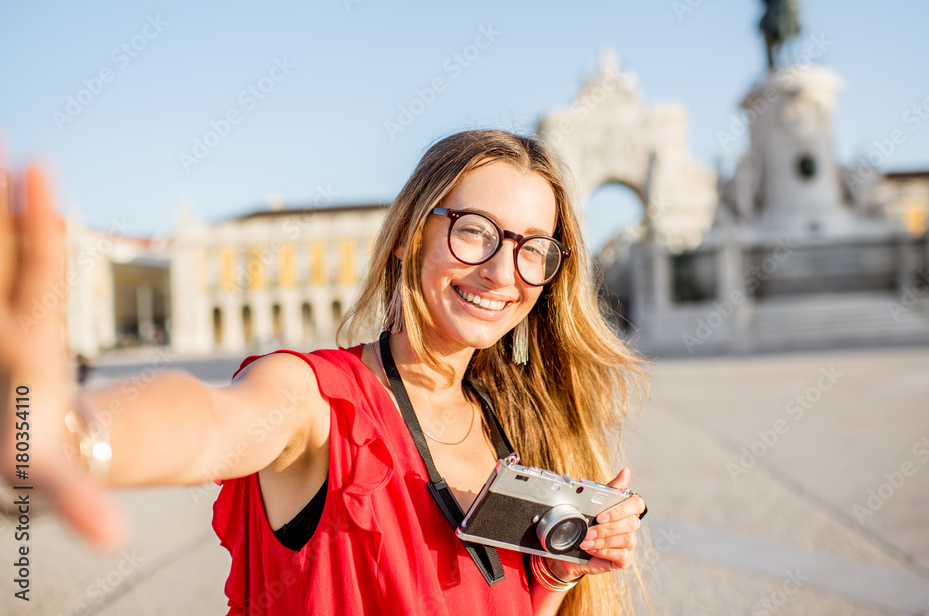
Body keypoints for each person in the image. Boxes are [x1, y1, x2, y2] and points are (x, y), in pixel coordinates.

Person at [0, 130, 649, 615]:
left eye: (532, 248)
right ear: (407, 236)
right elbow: (211, 421)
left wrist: (561, 571)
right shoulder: (316, 399)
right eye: (475, 231)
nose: (502, 271)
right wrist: (67, 431)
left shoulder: (516, 426)